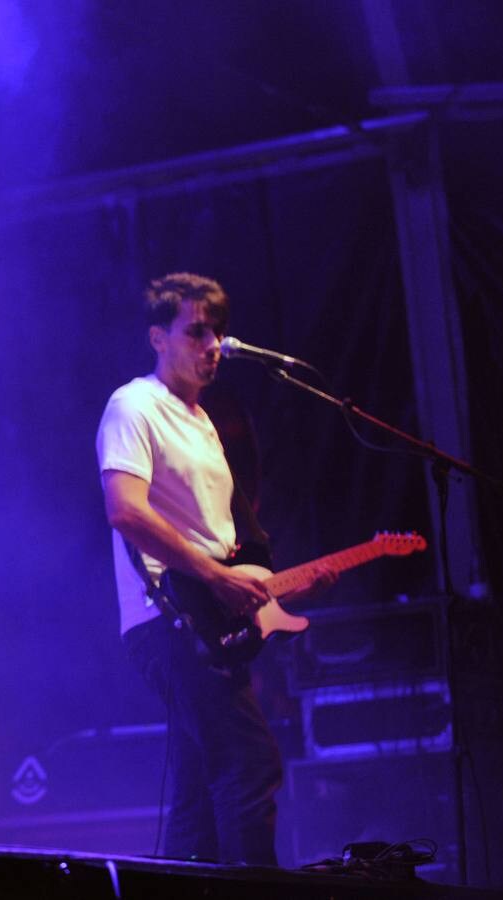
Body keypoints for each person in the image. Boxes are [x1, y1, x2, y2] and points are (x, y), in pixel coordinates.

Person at [96, 272, 331, 865]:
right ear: (157, 337)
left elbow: (226, 542)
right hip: (167, 619)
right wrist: (216, 577)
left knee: (199, 795)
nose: (213, 346)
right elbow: (125, 511)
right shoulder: (134, 404)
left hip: (206, 621)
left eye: (219, 334)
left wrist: (271, 582)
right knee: (250, 766)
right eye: (196, 331)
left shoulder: (203, 423)